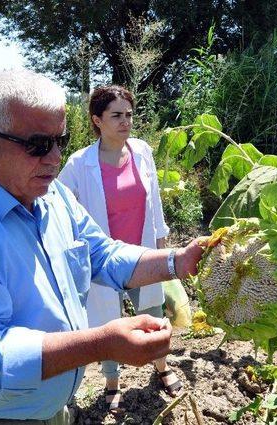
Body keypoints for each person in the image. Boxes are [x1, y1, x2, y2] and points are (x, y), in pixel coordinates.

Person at [0, 70, 206, 425]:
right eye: (38, 145)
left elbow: (102, 255)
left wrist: (178, 261)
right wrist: (101, 344)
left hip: (52, 411)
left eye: (60, 140)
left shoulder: (52, 195)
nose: (55, 157)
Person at [58, 85, 182, 414]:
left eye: (128, 114)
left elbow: (153, 201)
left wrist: (161, 242)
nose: (125, 121)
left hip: (140, 254)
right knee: (106, 322)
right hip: (104, 259)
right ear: (97, 120)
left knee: (153, 314)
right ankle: (112, 383)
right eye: (116, 115)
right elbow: (57, 204)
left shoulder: (141, 151)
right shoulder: (79, 163)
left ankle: (162, 368)